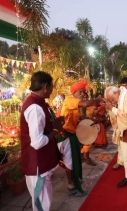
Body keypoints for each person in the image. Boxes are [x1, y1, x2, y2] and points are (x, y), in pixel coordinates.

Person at [20, 71, 64, 211]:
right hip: (37, 165)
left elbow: (41, 130)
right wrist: (55, 130)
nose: (52, 90)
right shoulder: (35, 107)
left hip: (40, 164)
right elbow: (37, 142)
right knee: (42, 205)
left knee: (45, 201)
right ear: (45, 86)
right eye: (51, 86)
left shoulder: (37, 103)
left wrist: (53, 124)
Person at [58, 79, 102, 196]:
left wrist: (90, 121)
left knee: (75, 159)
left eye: (83, 92)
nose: (83, 94)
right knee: (69, 162)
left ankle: (75, 180)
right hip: (65, 135)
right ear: (74, 92)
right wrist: (98, 99)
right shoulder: (70, 100)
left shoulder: (74, 103)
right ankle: (71, 185)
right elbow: (86, 104)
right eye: (81, 92)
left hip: (71, 135)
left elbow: (79, 117)